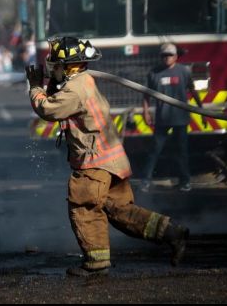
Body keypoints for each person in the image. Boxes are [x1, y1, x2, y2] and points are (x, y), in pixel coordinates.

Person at [26, 36, 189, 276]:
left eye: (56, 65)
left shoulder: (76, 89)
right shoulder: (83, 81)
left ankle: (96, 263)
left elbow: (47, 109)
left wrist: (35, 87)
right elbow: (59, 99)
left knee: (85, 207)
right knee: (119, 210)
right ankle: (171, 232)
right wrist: (50, 85)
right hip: (112, 161)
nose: (53, 69)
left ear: (69, 65)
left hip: (94, 164)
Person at [140, 43, 203, 193]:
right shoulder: (154, 73)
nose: (166, 58)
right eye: (164, 55)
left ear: (175, 56)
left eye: (169, 55)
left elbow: (192, 89)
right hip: (162, 119)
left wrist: (201, 108)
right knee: (155, 150)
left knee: (181, 151)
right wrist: (146, 112)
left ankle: (185, 181)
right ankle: (145, 181)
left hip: (180, 118)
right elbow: (146, 95)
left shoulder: (184, 71)